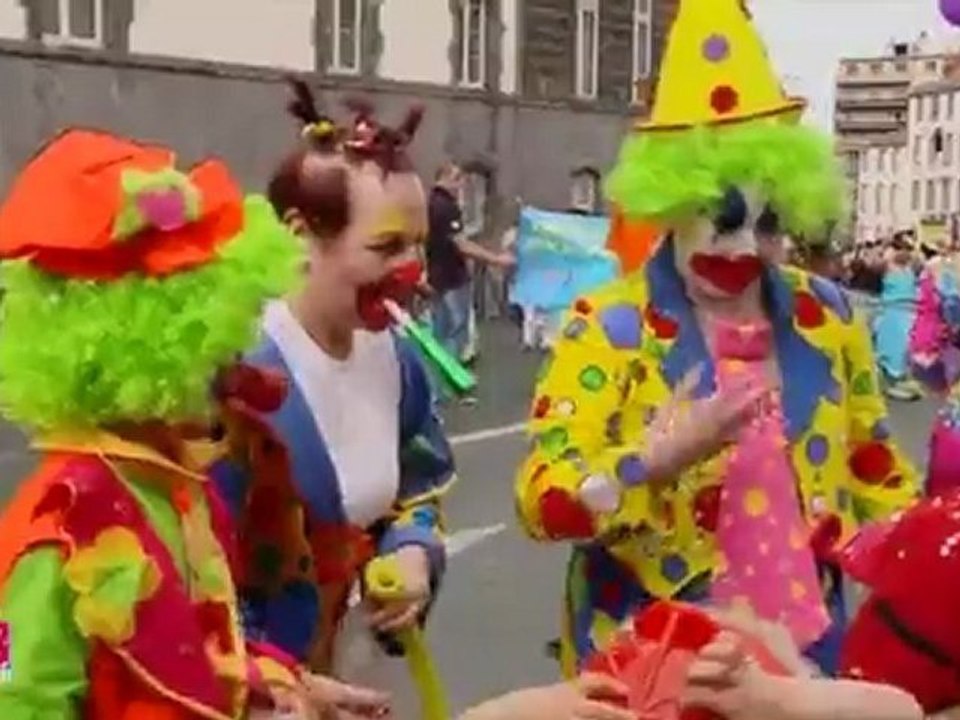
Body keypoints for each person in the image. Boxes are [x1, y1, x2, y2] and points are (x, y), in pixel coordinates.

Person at [514, 0, 917, 680]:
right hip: (655, 653)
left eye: (769, 224)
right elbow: (541, 504)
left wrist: (933, 552)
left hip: (805, 651)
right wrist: (653, 459)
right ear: (672, 202)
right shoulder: (609, 326)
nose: (745, 249)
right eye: (724, 218)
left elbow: (875, 469)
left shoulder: (826, 313)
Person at [0, 129, 392, 719]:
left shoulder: (173, 485)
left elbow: (183, 646)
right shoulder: (60, 524)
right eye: (212, 348)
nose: (235, 366)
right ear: (144, 351)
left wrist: (276, 682)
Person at [209, 79, 456, 679]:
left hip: (354, 677)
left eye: (419, 246)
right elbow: (184, 571)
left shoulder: (398, 360)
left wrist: (414, 553)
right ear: (300, 234)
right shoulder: (234, 379)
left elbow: (420, 487)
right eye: (387, 247)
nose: (411, 272)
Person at [425, 162, 514, 373]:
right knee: (455, 330)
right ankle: (448, 381)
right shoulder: (446, 207)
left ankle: (437, 388)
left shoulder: (429, 203)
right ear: (444, 178)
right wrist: (496, 259)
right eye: (457, 180)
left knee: (441, 331)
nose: (460, 186)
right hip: (451, 278)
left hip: (436, 275)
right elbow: (461, 244)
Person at [874, 231, 922, 401]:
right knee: (894, 346)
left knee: (900, 347)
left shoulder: (906, 267)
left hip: (901, 312)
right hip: (896, 312)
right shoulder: (901, 267)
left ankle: (896, 379)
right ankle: (892, 380)